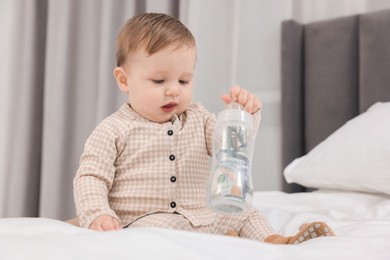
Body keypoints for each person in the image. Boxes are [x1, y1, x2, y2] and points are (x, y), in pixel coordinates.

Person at [70, 12, 335, 244]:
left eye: (184, 81)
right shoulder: (113, 129)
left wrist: (243, 115)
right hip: (143, 219)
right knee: (165, 230)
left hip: (200, 215)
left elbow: (232, 145)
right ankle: (223, 243)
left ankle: (275, 242)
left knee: (246, 212)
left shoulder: (199, 118)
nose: (174, 90)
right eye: (159, 80)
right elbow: (91, 178)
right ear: (124, 80)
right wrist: (97, 213)